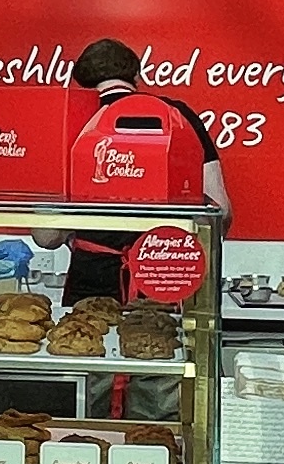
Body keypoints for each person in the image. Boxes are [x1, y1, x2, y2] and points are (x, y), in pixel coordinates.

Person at [61, 35, 229, 309]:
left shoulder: (72, 123)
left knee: (84, 333)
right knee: (159, 336)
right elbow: (220, 212)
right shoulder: (177, 116)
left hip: (89, 286)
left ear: (82, 83)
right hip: (162, 279)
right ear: (136, 76)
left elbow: (46, 236)